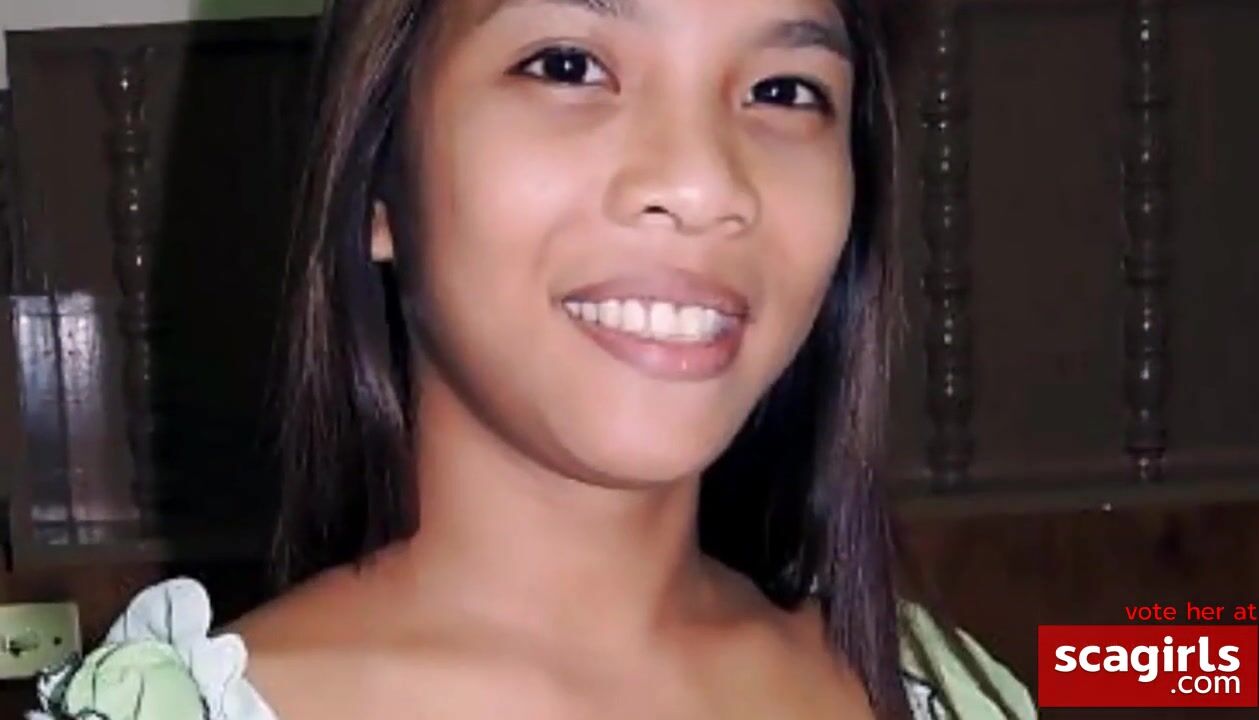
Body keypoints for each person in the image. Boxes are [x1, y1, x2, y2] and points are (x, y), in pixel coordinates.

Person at [31, 0, 1035, 718]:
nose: (702, 184)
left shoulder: (930, 692)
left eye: (783, 89)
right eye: (566, 65)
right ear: (379, 176)